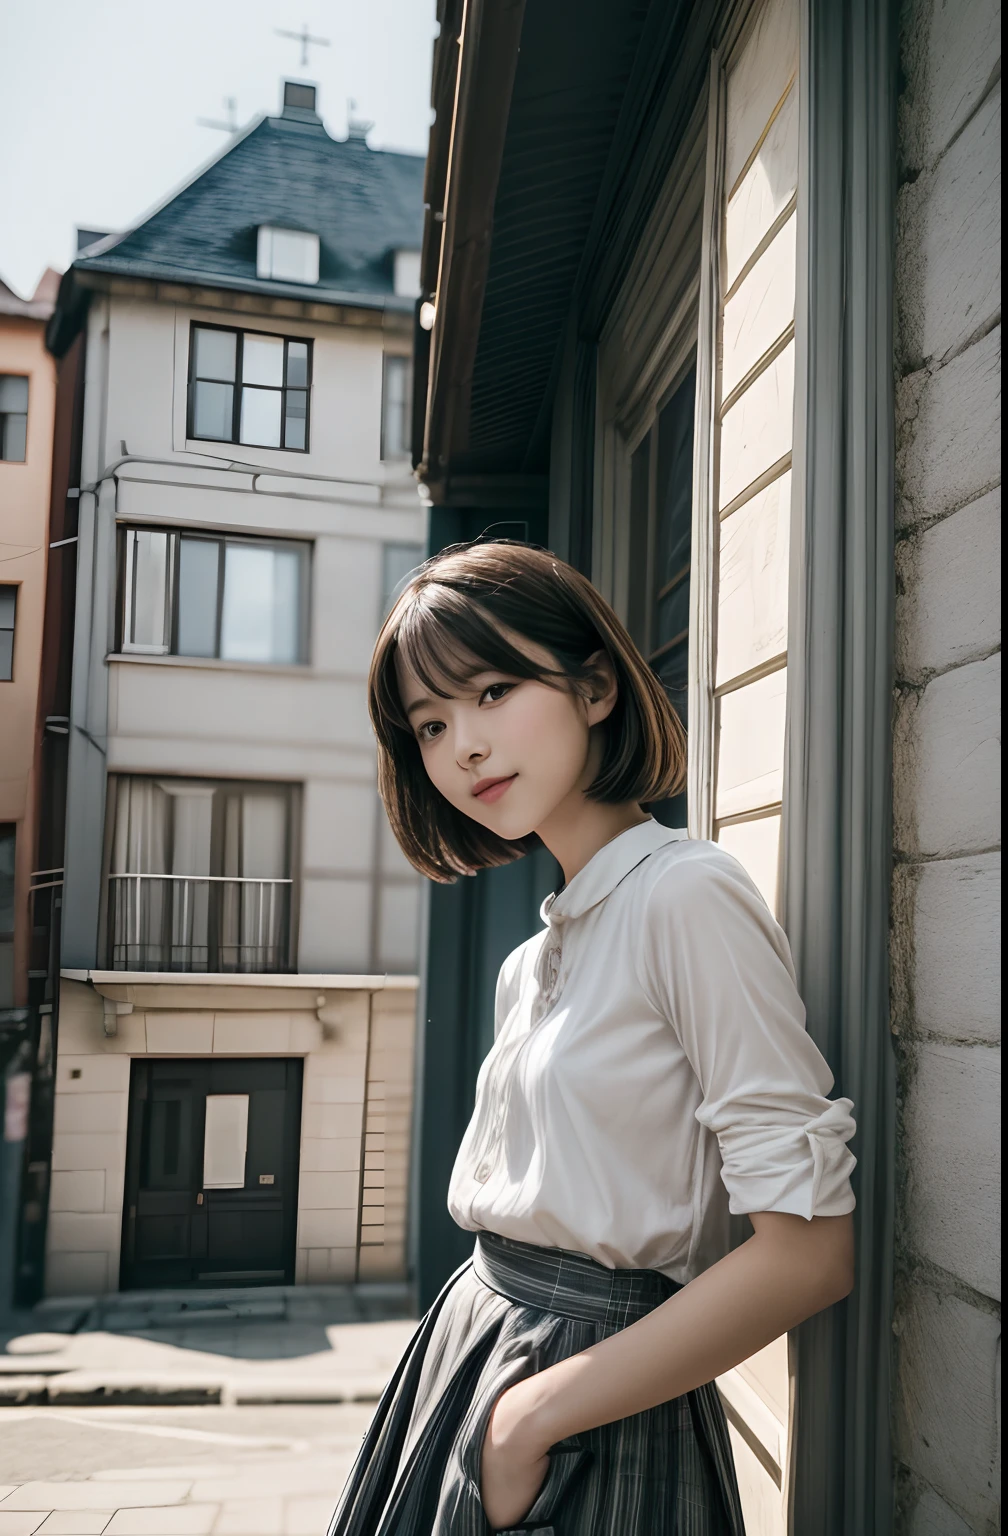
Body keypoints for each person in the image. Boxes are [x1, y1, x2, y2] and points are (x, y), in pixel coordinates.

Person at [329, 541, 856, 1535]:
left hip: (594, 1408)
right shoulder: (528, 963)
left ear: (597, 684)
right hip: (473, 1351)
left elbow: (810, 1254)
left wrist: (528, 1420)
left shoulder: (684, 894)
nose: (463, 747)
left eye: (491, 691)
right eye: (431, 724)